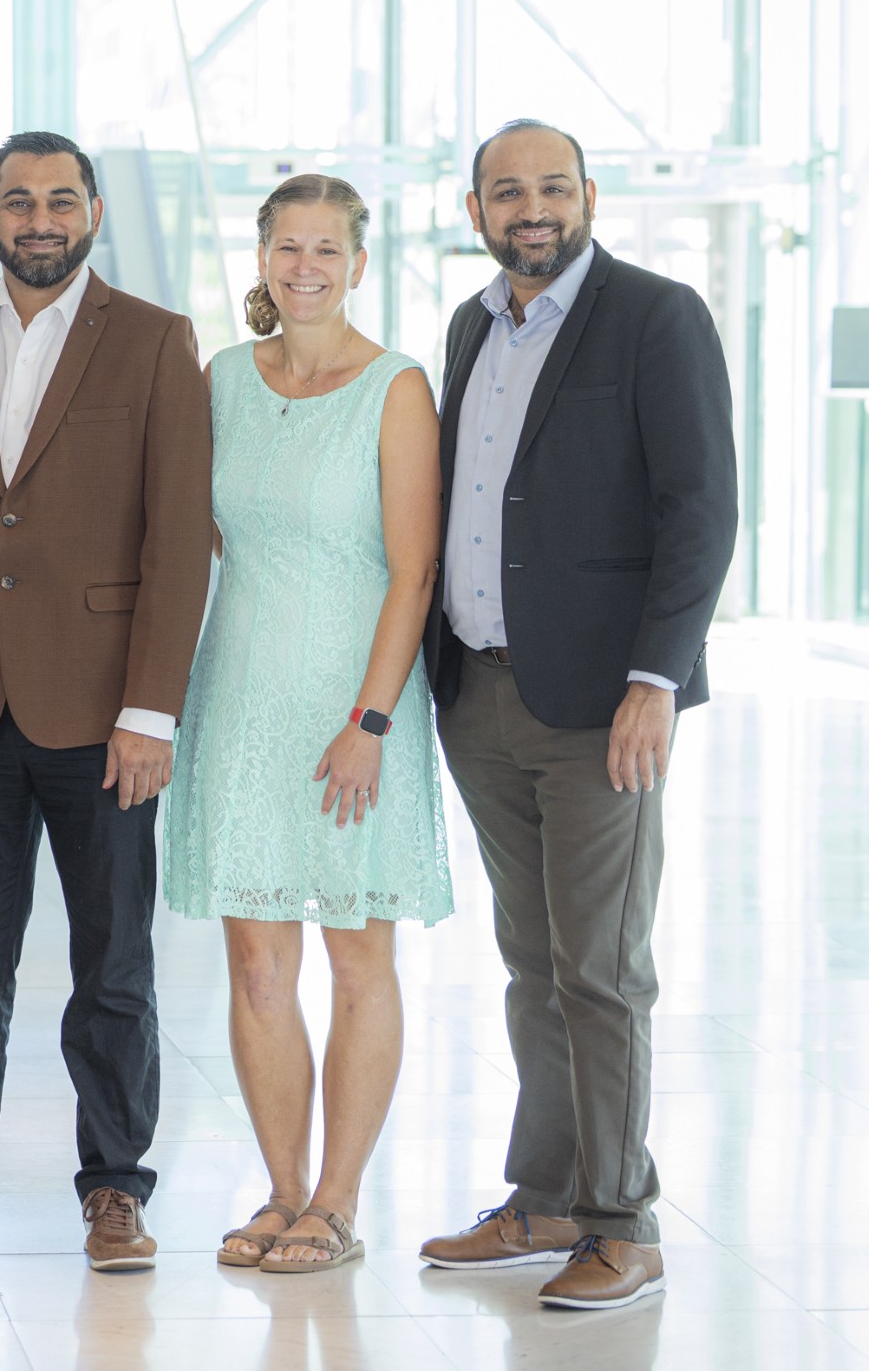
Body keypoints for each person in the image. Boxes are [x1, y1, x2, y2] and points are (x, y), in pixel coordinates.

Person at [0, 131, 214, 1272]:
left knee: (113, 963)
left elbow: (179, 541)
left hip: (108, 714)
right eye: (20, 201)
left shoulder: (157, 343)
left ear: (96, 212)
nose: (41, 218)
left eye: (62, 199)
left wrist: (152, 710)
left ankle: (115, 1186)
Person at [416, 120, 738, 1310]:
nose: (532, 208)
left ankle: (623, 1220)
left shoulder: (656, 318)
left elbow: (700, 510)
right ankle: (546, 1197)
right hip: (482, 692)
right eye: (510, 192)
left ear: (589, 195)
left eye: (553, 187)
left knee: (600, 967)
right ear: (475, 209)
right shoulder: (471, 325)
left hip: (604, 704)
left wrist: (657, 679)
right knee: (531, 962)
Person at [161, 174, 453, 1274]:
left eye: (328, 249)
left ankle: (337, 1200)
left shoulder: (396, 387)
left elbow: (413, 568)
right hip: (239, 702)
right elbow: (219, 536)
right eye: (289, 247)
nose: (307, 267)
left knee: (357, 953)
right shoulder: (224, 379)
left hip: (355, 710)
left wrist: (370, 717)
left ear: (359, 263)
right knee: (254, 963)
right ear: (264, 257)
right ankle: (281, 1190)